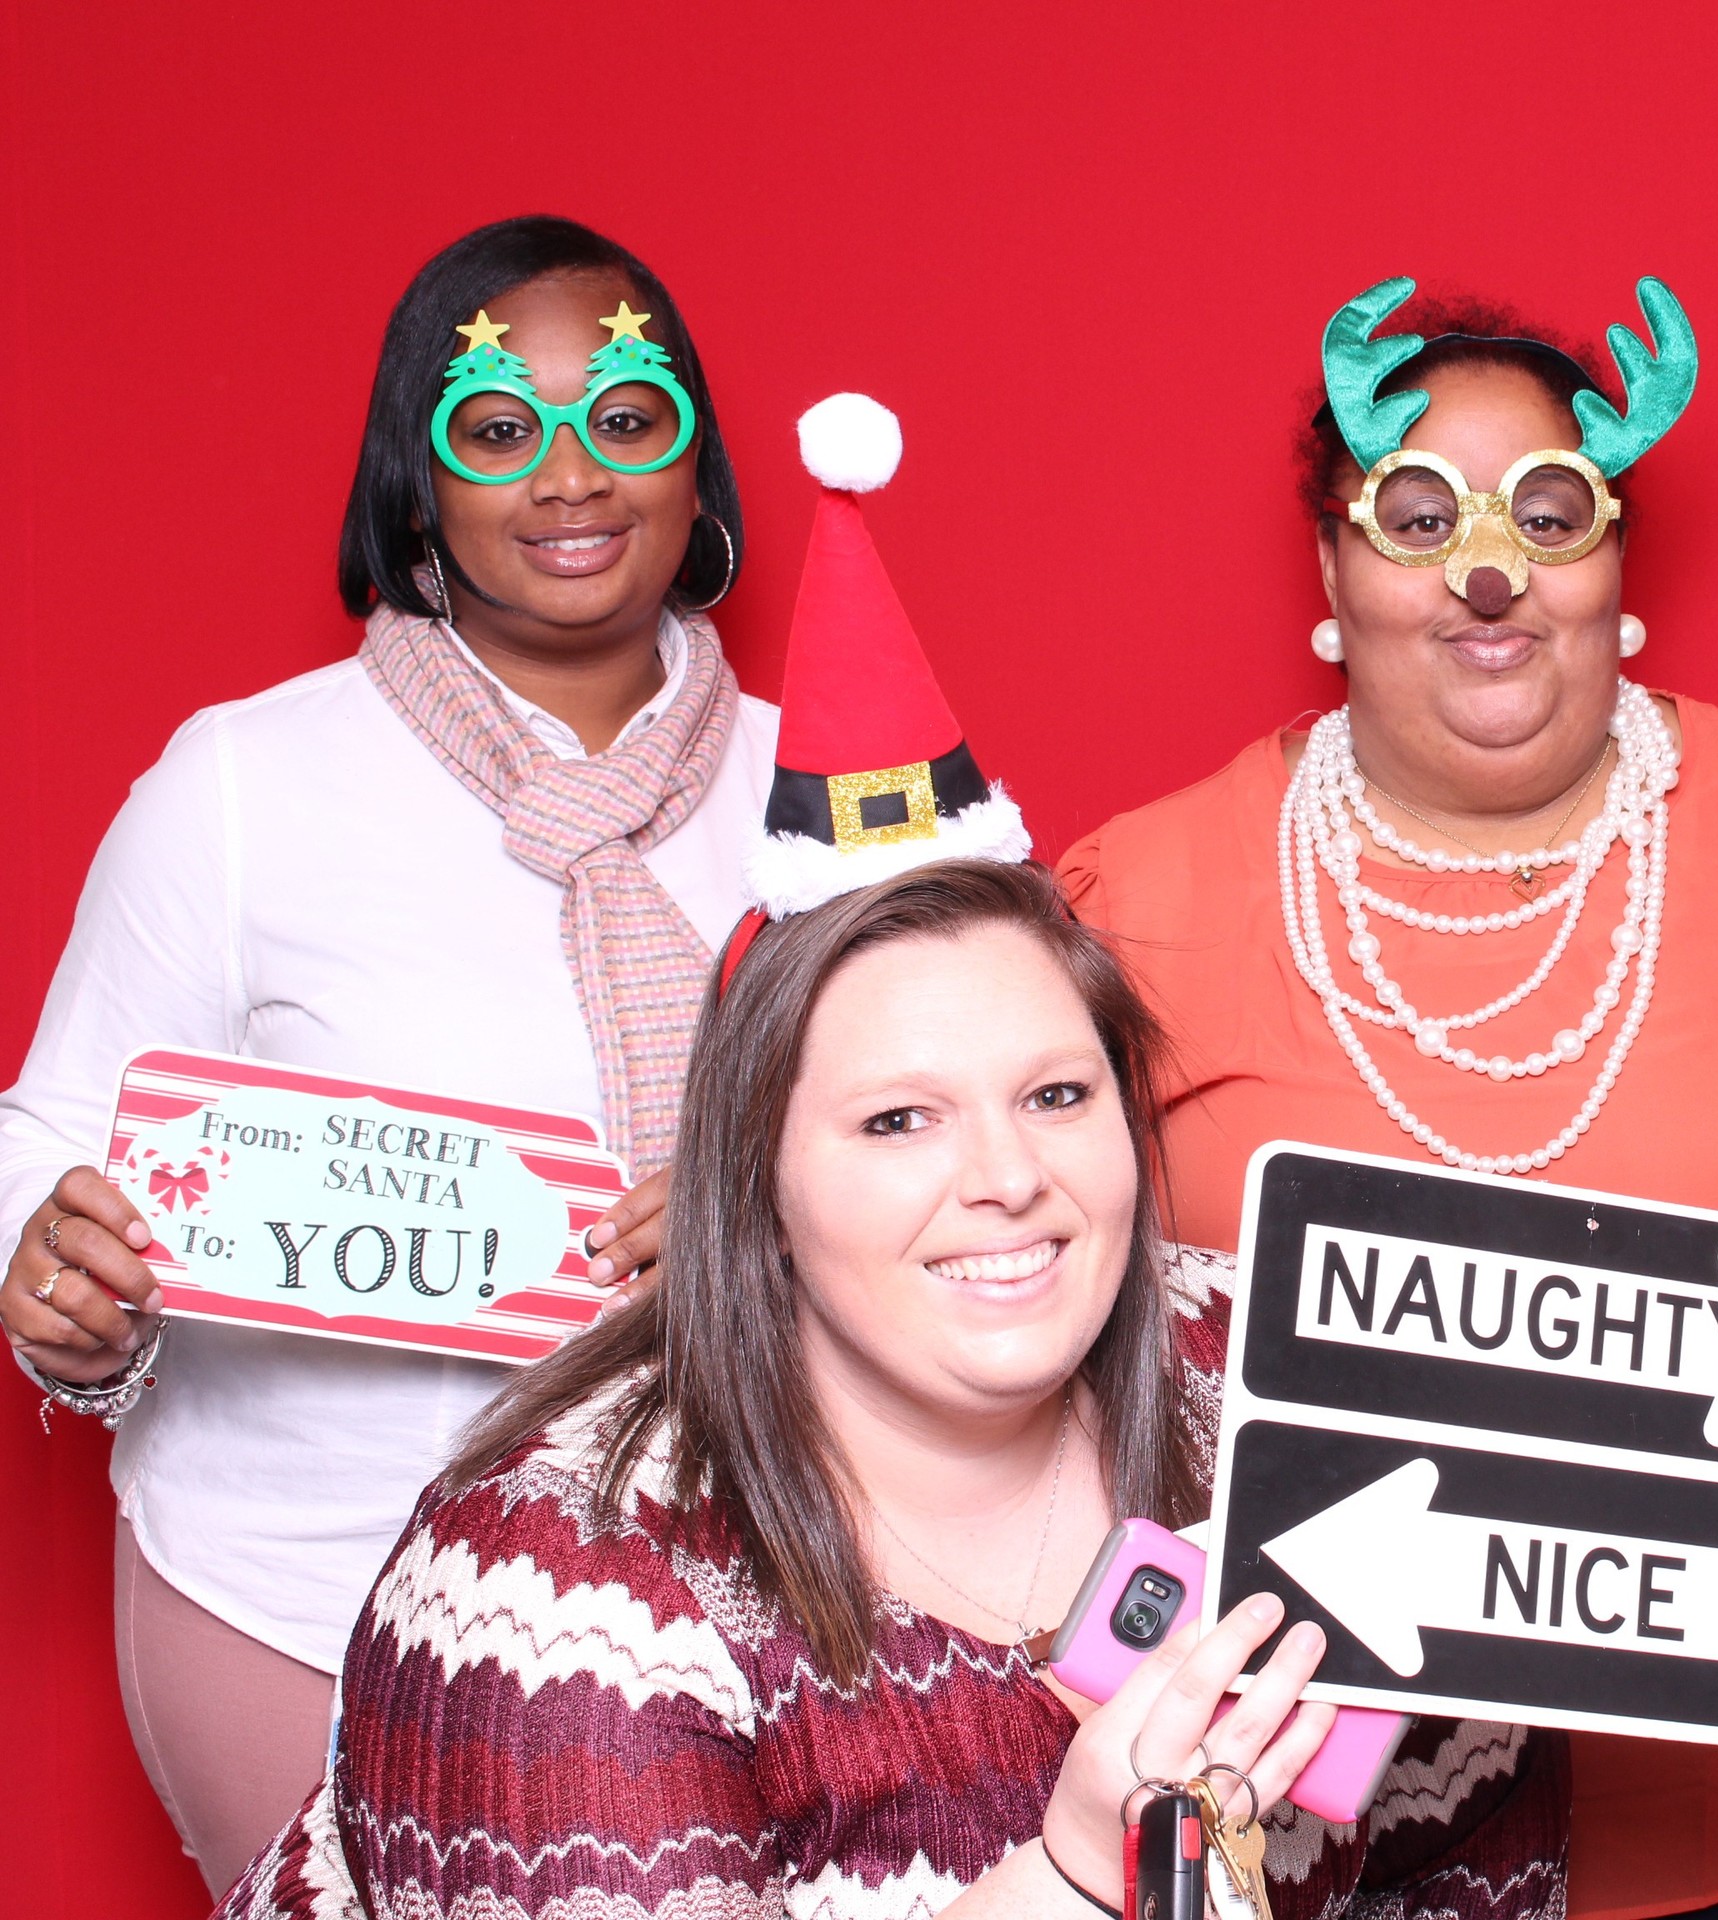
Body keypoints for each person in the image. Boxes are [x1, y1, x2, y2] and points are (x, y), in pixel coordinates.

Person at [219, 398, 1567, 1918]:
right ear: (754, 1184)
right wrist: (1082, 1873)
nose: (1008, 1178)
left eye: (1056, 1095)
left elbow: (1474, 1857)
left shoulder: (1297, 1394)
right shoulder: (551, 1596)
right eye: (897, 1119)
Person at [1058, 277, 1718, 1920]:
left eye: (1548, 516)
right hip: (1319, 1826)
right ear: (1333, 573)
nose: (1485, 572)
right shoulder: (1141, 900)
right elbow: (1019, 1278)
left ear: (1614, 559)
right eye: (1417, 519)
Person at [0, 214, 768, 1891]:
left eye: (625, 416)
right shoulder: (244, 783)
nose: (570, 473)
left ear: (694, 460)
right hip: (299, 1593)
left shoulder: (835, 802)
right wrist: (49, 1266)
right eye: (496, 430)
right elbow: (47, 1132)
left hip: (748, 1607)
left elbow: (971, 1164)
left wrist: (759, 1226)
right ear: (417, 490)